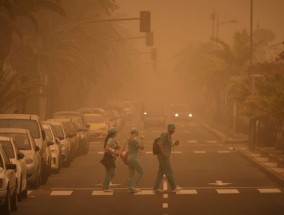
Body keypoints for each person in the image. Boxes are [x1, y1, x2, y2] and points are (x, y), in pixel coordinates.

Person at [153, 123, 182, 193]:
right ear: (168, 129)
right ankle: (174, 187)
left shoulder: (169, 136)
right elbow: (160, 144)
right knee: (169, 171)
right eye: (172, 129)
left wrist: (175, 144)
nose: (173, 130)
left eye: (174, 129)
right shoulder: (165, 135)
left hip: (165, 156)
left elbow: (168, 145)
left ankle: (155, 188)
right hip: (163, 156)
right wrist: (164, 154)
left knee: (161, 172)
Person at [100, 127, 120, 192]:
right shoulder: (110, 140)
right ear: (114, 133)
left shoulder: (112, 139)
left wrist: (117, 145)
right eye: (116, 132)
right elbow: (107, 148)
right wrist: (114, 152)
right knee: (109, 173)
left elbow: (116, 147)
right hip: (108, 157)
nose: (117, 133)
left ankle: (104, 184)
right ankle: (106, 187)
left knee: (113, 173)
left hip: (110, 157)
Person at [127, 127, 144, 193]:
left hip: (129, 158)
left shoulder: (129, 139)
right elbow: (142, 147)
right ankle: (134, 187)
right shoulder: (135, 140)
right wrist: (142, 139)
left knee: (131, 174)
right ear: (136, 133)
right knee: (141, 171)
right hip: (133, 158)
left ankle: (130, 187)